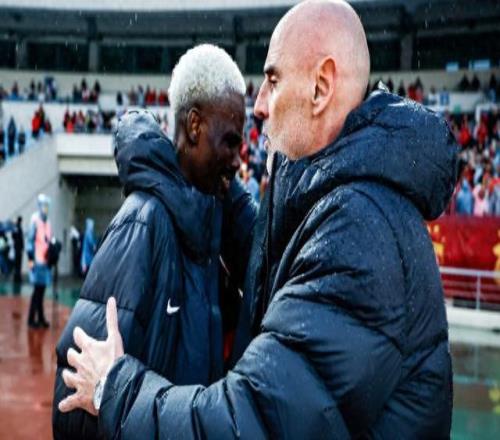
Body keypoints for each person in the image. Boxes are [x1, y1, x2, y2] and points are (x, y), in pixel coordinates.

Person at [59, 1, 457, 438]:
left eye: (273, 80)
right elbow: (266, 257)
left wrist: (114, 389)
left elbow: (247, 422)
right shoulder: (345, 205)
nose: (261, 104)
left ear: (321, 87)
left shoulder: (360, 229)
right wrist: (189, 170)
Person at [53, 44, 255, 439]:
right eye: (230, 142)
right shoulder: (144, 224)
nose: (238, 159)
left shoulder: (208, 225)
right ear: (194, 125)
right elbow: (73, 398)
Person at [26, 194, 53, 328]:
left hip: (46, 262)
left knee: (41, 291)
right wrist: (30, 258)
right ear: (39, 206)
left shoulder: (48, 222)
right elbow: (30, 240)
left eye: (47, 206)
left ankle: (41, 318)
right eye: (44, 206)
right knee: (37, 291)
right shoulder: (35, 220)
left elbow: (48, 240)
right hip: (37, 261)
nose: (46, 209)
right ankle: (31, 320)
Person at [12, 216, 24, 283]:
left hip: (17, 247)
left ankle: (17, 277)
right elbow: (16, 237)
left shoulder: (16, 227)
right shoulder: (17, 228)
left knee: (17, 263)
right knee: (18, 263)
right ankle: (17, 277)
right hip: (17, 248)